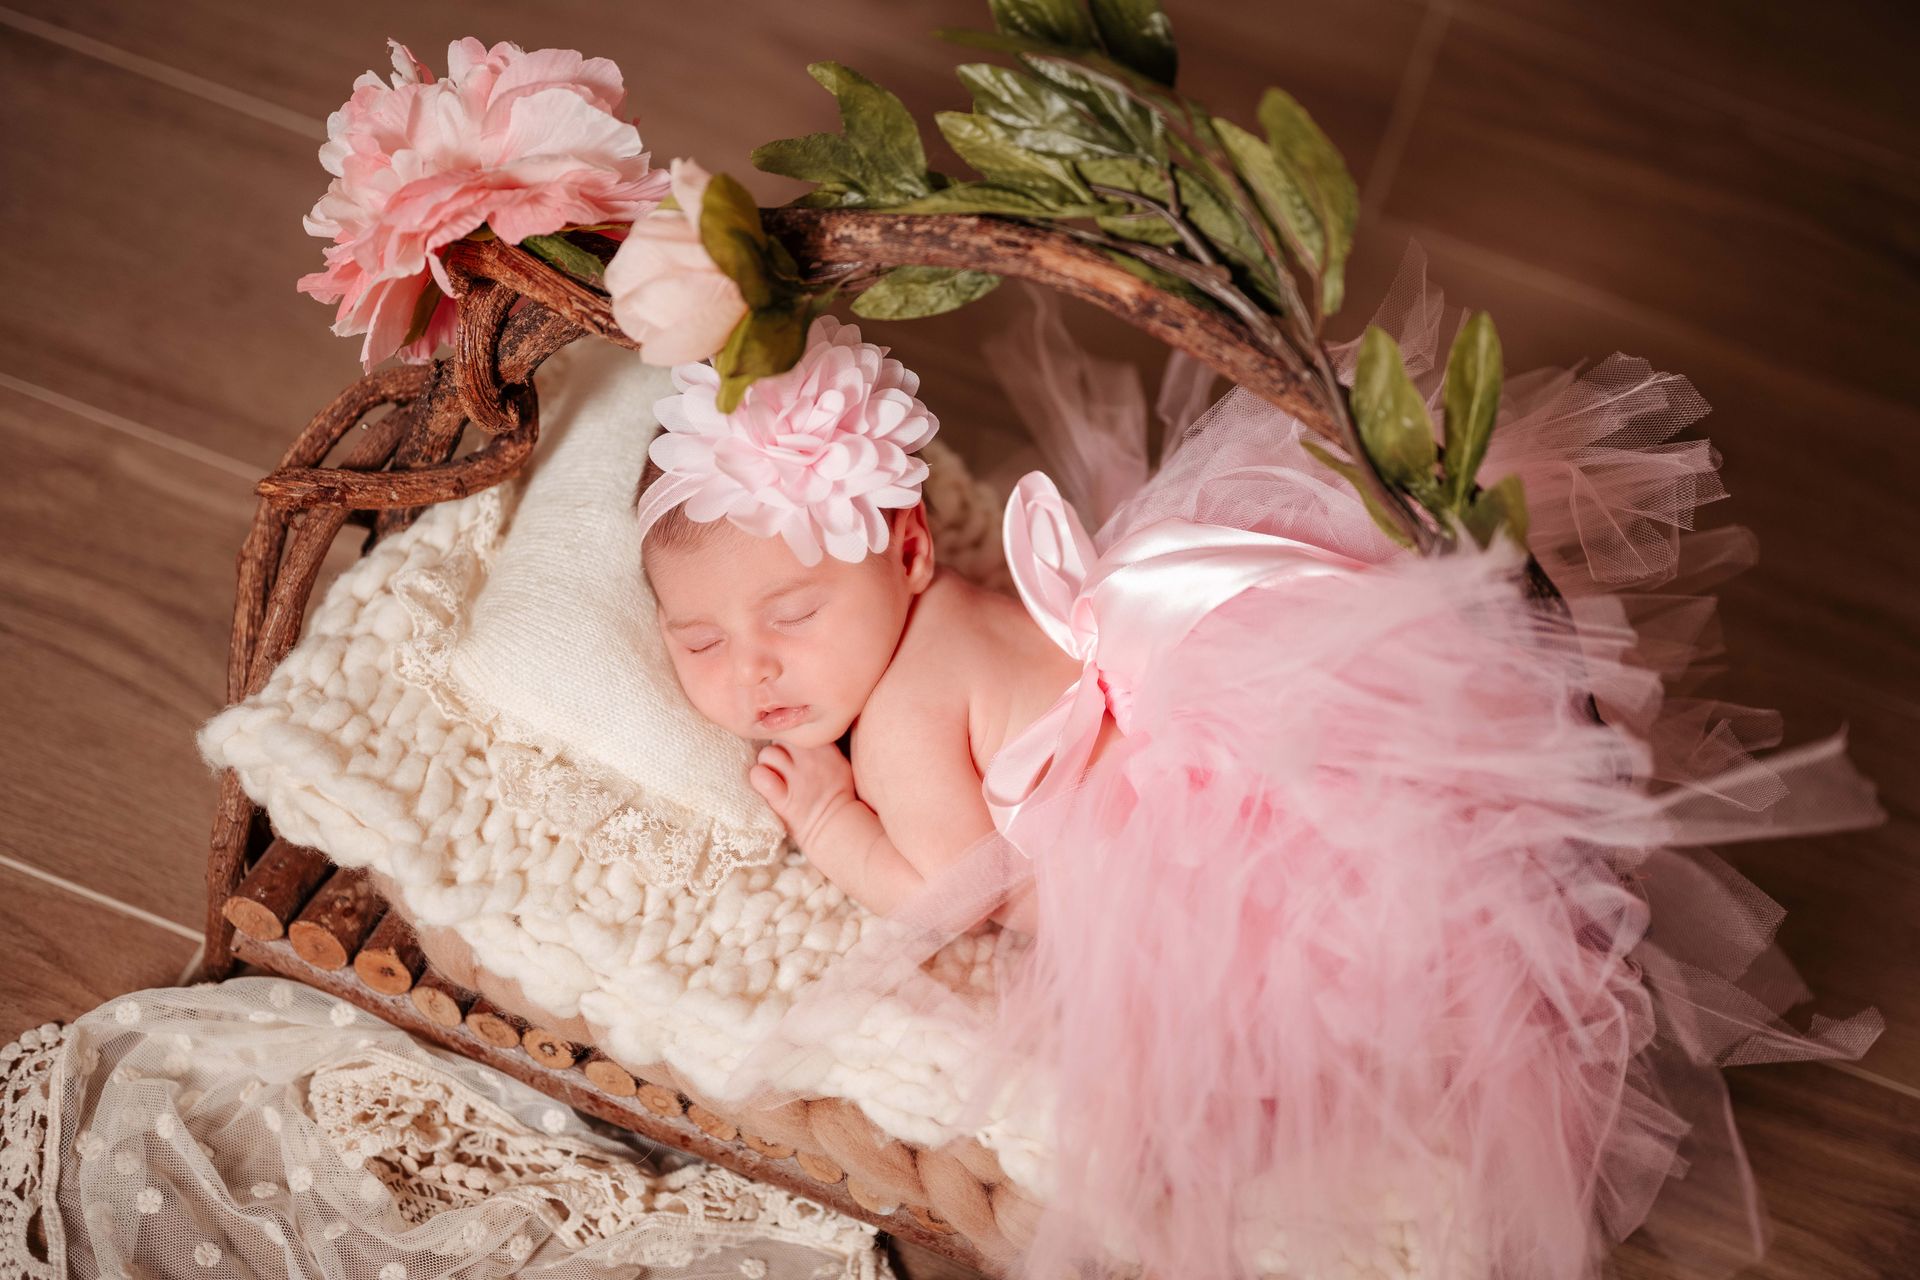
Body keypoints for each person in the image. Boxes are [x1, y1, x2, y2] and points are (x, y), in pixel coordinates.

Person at [632, 257, 1885, 1280]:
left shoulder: (907, 712)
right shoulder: (945, 613)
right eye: (699, 641)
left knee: (1302, 1016)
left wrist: (834, 823)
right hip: (1209, 704)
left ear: (909, 551)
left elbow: (957, 887)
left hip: (1186, 836)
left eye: (791, 614)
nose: (754, 669)